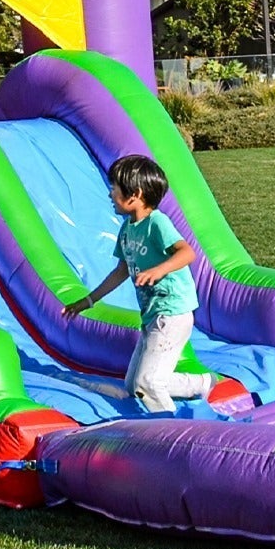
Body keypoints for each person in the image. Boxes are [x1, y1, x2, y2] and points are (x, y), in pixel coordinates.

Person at [64, 154, 212, 412]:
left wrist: (159, 270)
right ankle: (200, 384)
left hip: (172, 312)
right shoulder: (127, 229)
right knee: (135, 385)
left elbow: (187, 252)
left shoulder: (157, 223)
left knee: (148, 384)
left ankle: (169, 428)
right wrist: (89, 300)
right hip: (152, 313)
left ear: (135, 194)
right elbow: (121, 271)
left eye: (114, 188)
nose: (110, 194)